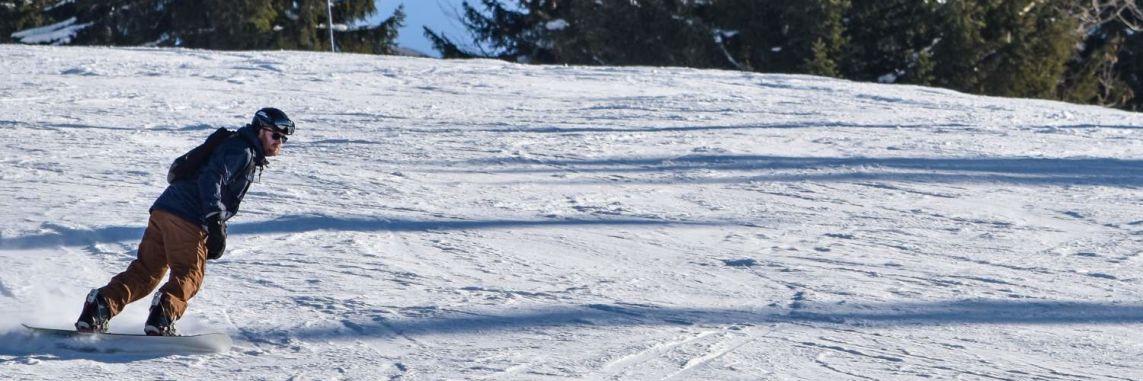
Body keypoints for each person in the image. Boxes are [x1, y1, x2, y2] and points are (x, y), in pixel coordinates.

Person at [74, 107, 295, 336]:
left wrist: (217, 225)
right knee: (189, 273)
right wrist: (214, 221)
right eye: (276, 135)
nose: (280, 142)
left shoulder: (237, 146)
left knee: (145, 272)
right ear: (260, 130)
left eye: (284, 138)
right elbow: (211, 179)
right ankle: (162, 319)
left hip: (164, 211)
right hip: (187, 217)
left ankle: (97, 308)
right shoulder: (242, 150)